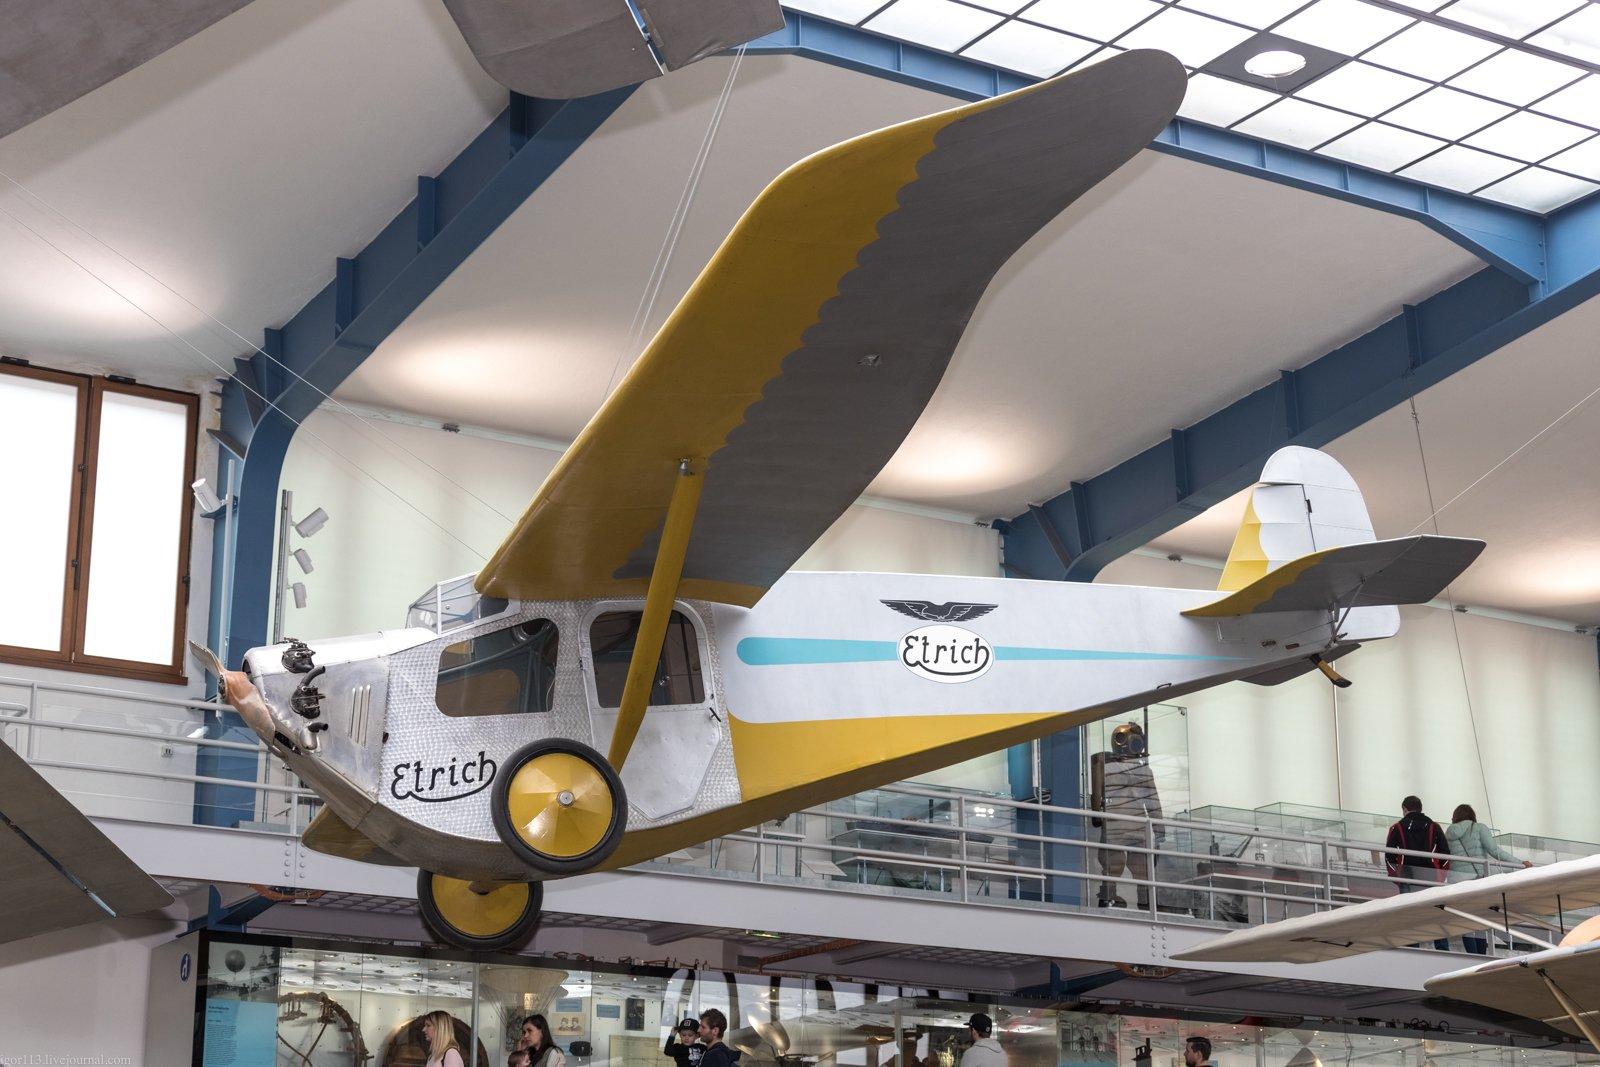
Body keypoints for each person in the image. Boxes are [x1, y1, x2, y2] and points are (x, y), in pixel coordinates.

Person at [1447, 803, 1532, 954]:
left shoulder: (1449, 832)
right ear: (1472, 815)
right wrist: (1520, 864)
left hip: (1456, 882)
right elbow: (1494, 851)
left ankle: (1472, 954)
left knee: (1464, 920)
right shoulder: (1479, 828)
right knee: (1480, 919)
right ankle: (1480, 955)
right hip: (1476, 879)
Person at [1384, 796, 1451, 950]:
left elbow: (1389, 856)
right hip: (1431, 877)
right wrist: (1440, 876)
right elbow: (1445, 854)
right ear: (1420, 808)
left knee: (1410, 914)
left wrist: (1397, 878)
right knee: (1436, 912)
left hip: (1407, 876)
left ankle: (1412, 948)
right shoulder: (1434, 826)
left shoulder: (1397, 827)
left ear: (1404, 809)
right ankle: (1442, 948)